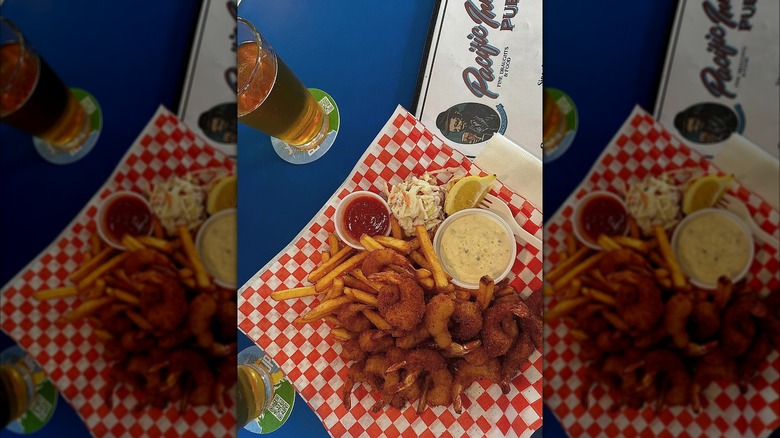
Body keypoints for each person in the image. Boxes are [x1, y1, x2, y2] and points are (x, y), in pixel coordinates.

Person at [673, 102, 739, 144]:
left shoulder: (712, 108)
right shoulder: (706, 135)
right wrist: (713, 139)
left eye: (695, 123)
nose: (697, 127)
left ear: (696, 114)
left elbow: (732, 117)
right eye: (693, 129)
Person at [435, 103, 501, 144]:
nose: (459, 128)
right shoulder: (470, 135)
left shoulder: (473, 107)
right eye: (455, 130)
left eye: (456, 123)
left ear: (457, 113)